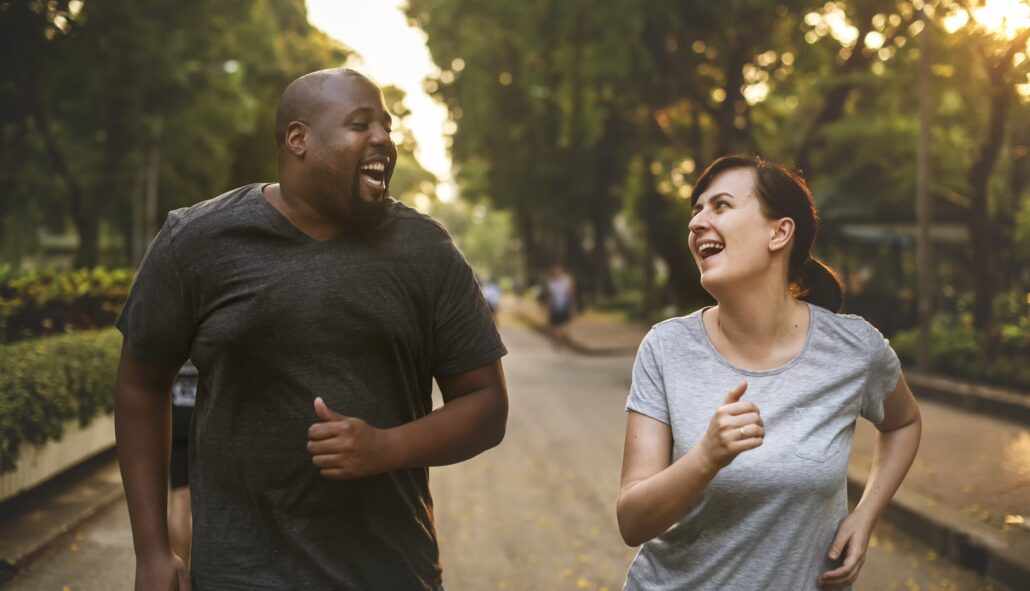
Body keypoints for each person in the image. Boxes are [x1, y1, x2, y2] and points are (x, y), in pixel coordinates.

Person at [114, 68, 508, 590]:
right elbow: (141, 384)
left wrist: (386, 448)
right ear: (298, 139)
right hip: (240, 576)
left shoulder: (426, 252)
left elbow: (486, 405)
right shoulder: (197, 242)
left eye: (386, 127)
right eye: (360, 124)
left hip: (391, 574)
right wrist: (152, 551)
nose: (383, 140)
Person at [616, 155, 921, 590]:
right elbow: (631, 521)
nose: (697, 222)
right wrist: (706, 457)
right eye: (696, 210)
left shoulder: (853, 349)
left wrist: (866, 515)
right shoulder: (666, 348)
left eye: (720, 206)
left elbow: (904, 422)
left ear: (779, 232)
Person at [168, 360, 197, 570]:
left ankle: (181, 570)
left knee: (179, 495)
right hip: (205, 418)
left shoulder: (175, 327)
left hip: (175, 418)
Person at [544, 265, 575, 351]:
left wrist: (572, 308)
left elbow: (570, 296)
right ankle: (561, 343)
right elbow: (550, 298)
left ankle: (560, 344)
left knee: (562, 328)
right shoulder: (557, 284)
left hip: (563, 307)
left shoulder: (563, 283)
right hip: (557, 308)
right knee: (559, 328)